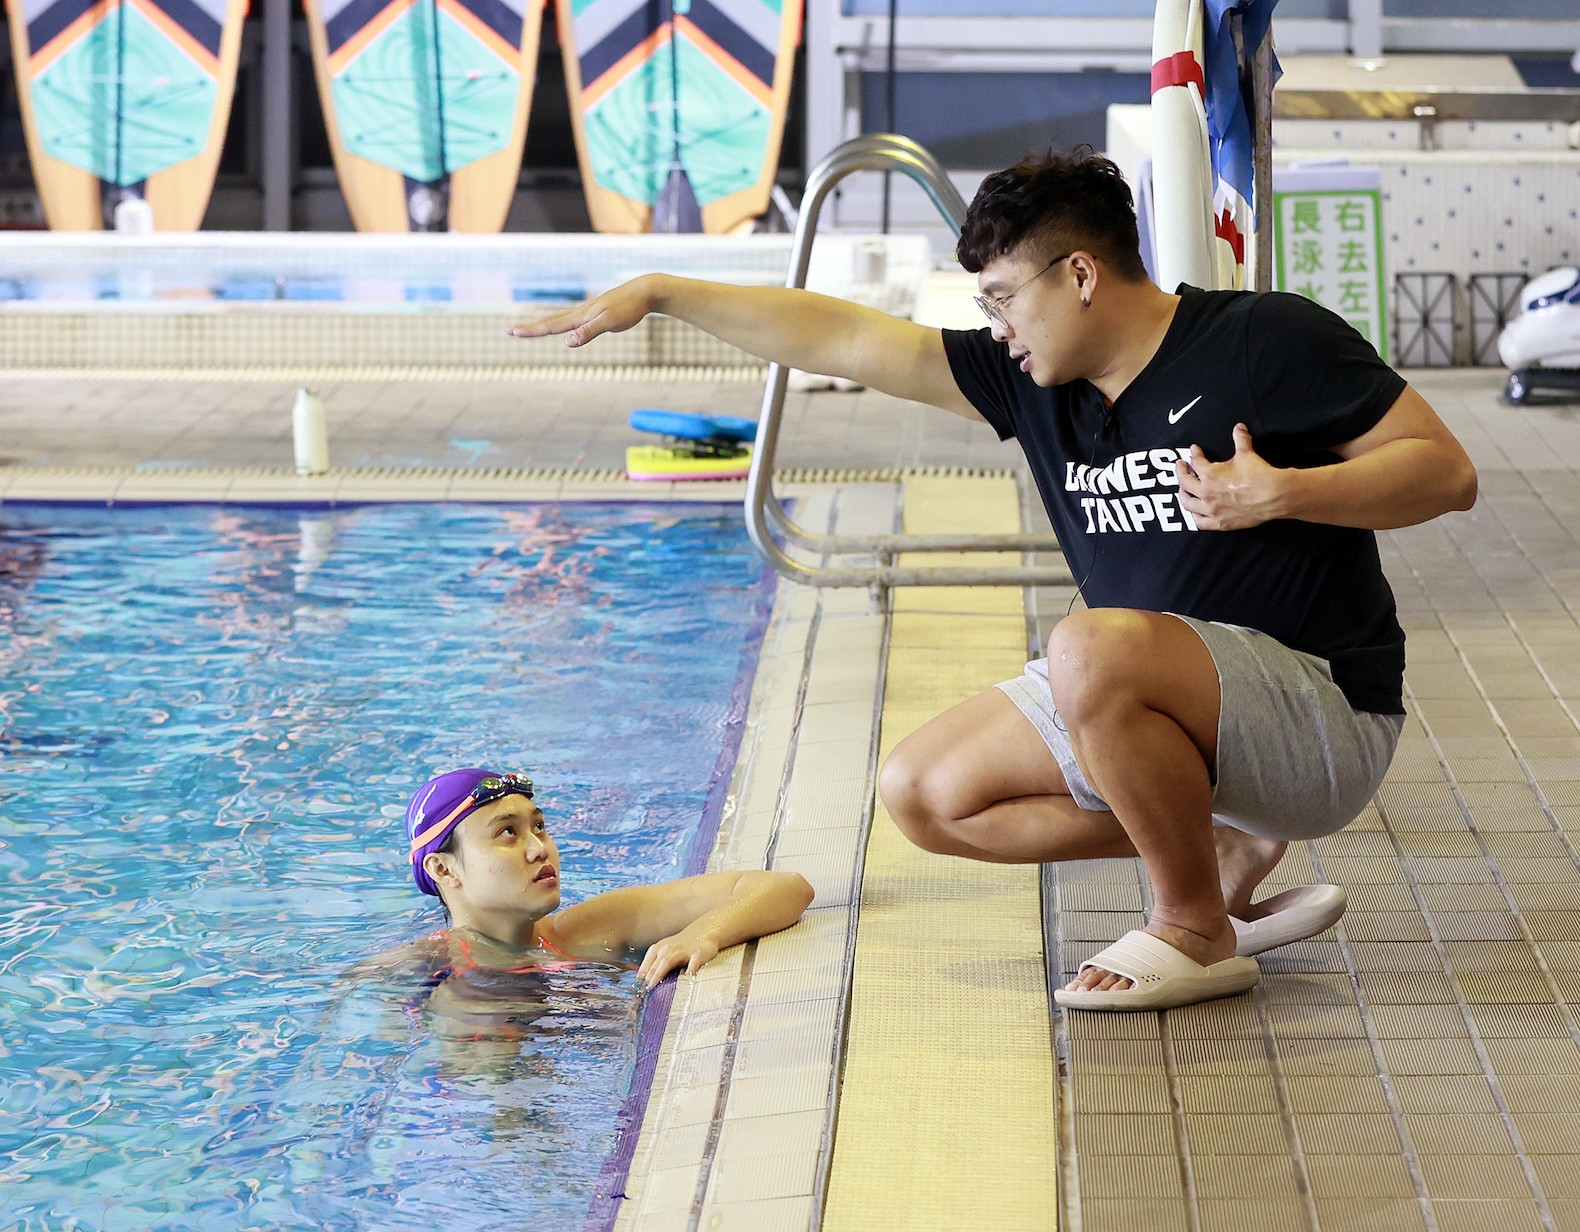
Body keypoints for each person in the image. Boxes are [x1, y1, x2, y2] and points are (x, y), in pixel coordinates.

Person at [509, 150, 1477, 1012]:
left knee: (1085, 645)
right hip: (1152, 694)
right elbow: (848, 341)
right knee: (923, 792)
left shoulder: (1262, 339)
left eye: (1005, 298)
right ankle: (1213, 850)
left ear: (1080, 275)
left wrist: (1287, 491)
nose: (998, 327)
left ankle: (1192, 926)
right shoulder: (1034, 383)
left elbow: (1447, 472)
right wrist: (665, 290)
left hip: (1322, 710)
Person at [377, 768, 813, 1018]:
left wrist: (701, 935)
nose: (538, 848)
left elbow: (785, 888)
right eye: (507, 833)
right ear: (444, 869)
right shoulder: (419, 975)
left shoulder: (591, 929)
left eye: (539, 826)